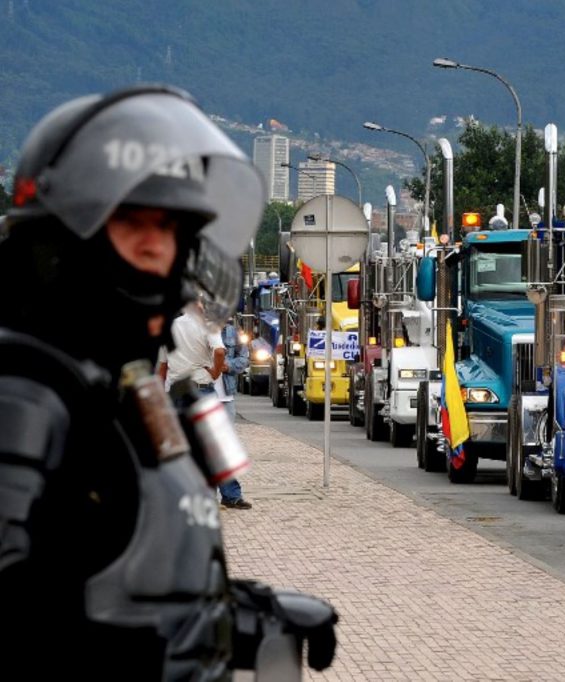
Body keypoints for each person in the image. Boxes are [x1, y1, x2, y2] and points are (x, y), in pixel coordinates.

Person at [0, 86, 335, 676]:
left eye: (172, 226)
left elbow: (118, 571)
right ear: (64, 234)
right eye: (133, 222)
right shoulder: (24, 393)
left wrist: (232, 618)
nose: (158, 247)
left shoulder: (118, 389)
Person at [216, 318, 251, 508]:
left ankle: (230, 495)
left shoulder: (231, 332)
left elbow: (244, 358)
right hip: (201, 393)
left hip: (225, 398)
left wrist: (227, 365)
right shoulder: (194, 329)